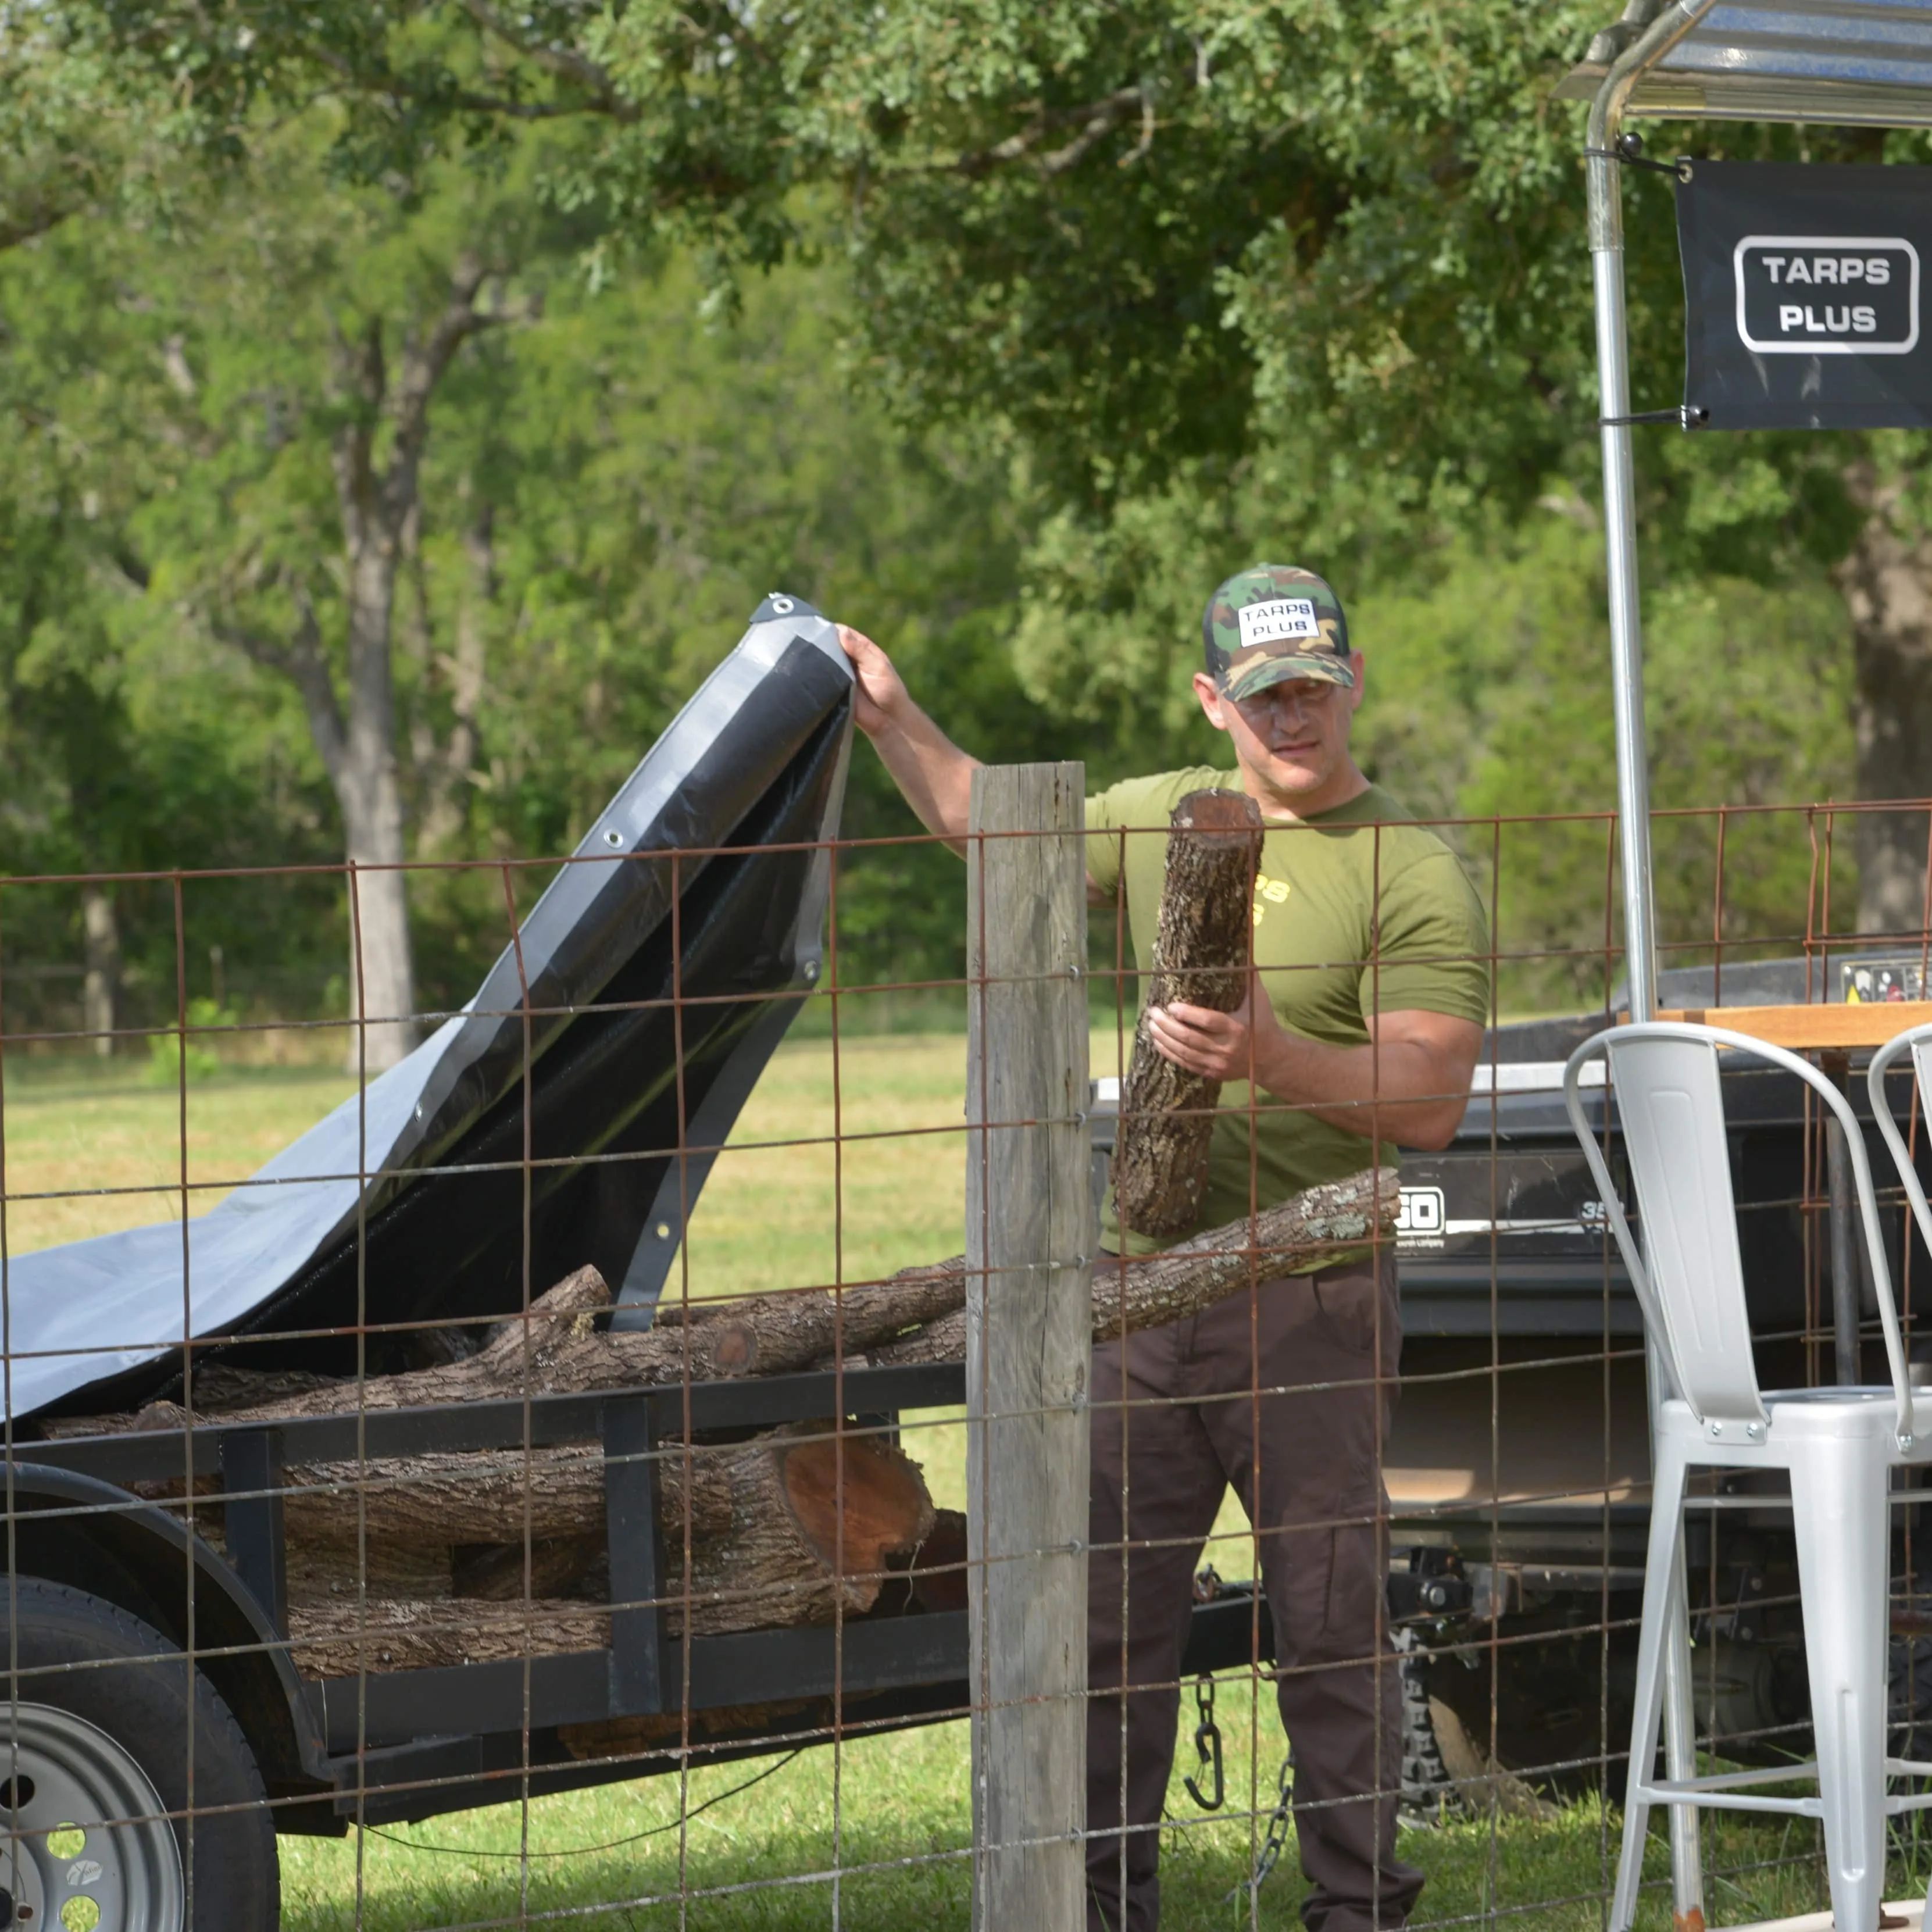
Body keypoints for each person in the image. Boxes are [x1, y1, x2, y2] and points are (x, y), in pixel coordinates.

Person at [838, 564, 1491, 1932]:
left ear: (1350, 680)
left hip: (1307, 1291)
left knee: (1324, 1619)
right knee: (1103, 1628)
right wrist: (891, 712)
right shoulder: (1157, 816)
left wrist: (1269, 1053)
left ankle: (1356, 1910)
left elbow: (1426, 1095)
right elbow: (981, 820)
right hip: (1136, 1289)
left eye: (1312, 684)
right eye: (1263, 694)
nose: (1292, 715)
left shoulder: (1410, 865)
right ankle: (1094, 1908)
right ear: (1213, 699)